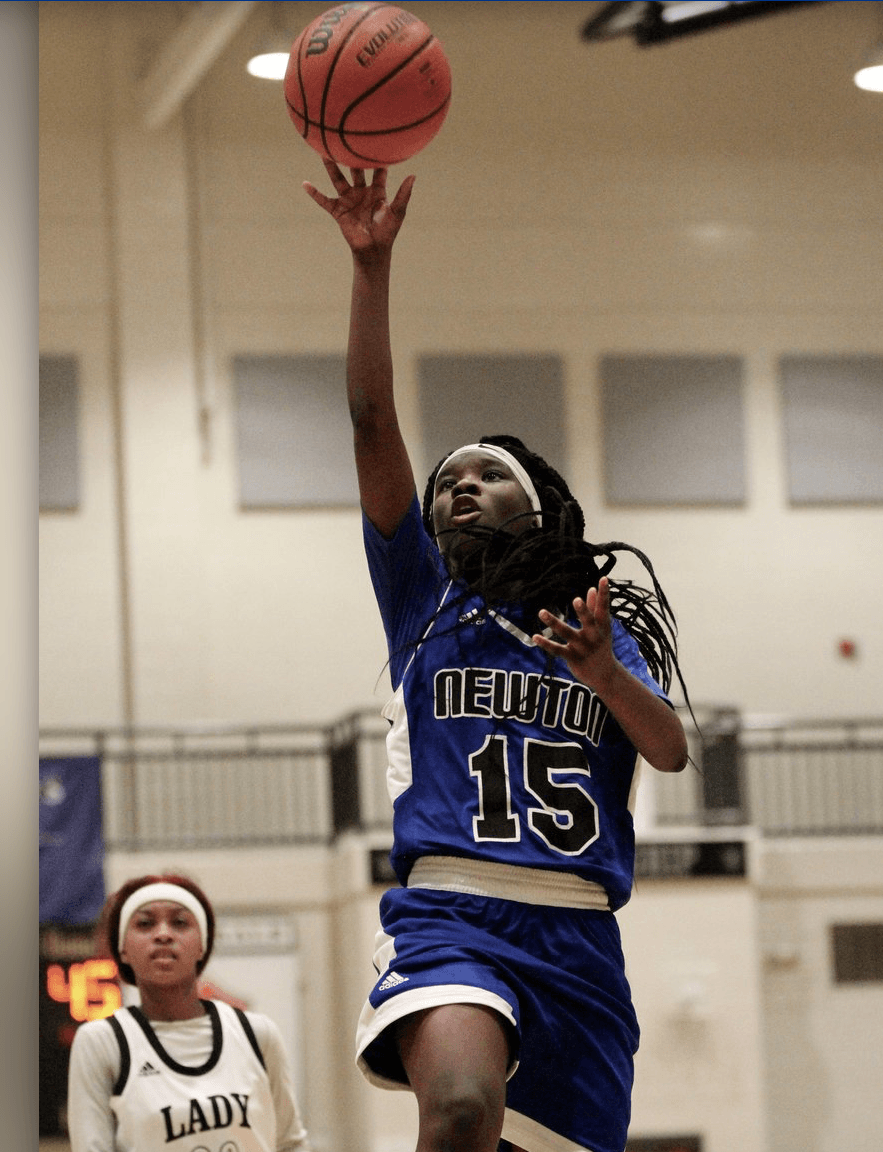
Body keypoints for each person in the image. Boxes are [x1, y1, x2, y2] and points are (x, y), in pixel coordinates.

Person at [304, 160, 692, 1152]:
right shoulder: (424, 601)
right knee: (464, 1107)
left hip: (578, 934)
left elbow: (669, 752)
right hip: (454, 912)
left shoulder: (601, 623)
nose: (458, 487)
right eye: (447, 483)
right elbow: (370, 423)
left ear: (541, 505)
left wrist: (604, 674)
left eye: (486, 474)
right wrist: (370, 268)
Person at [67, 873, 311, 1152]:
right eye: (145, 923)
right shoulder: (101, 1042)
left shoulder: (257, 1034)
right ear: (123, 949)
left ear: (202, 945)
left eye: (180, 922)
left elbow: (291, 1144)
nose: (163, 934)